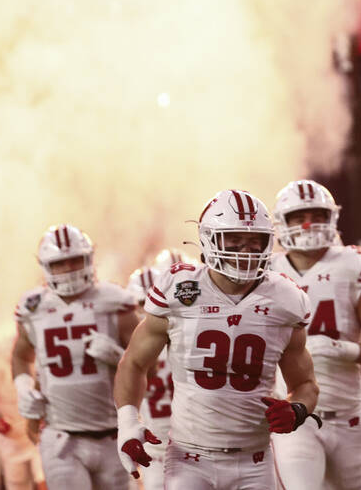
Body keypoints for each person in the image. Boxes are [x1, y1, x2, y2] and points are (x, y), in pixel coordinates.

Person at [113, 190, 318, 490]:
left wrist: (297, 409)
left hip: (254, 460)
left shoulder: (286, 299)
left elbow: (306, 385)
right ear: (209, 238)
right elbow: (133, 362)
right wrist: (128, 423)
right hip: (189, 459)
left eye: (254, 241)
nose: (244, 251)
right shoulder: (180, 288)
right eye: (234, 240)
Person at [265, 180, 361, 490]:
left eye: (317, 214)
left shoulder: (353, 262)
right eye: (299, 216)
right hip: (295, 413)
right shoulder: (265, 271)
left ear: (332, 218)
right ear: (282, 223)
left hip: (348, 414)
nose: (308, 224)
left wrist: (341, 349)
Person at [11, 224, 137, 490]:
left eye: (74, 260)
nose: (68, 269)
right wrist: (23, 389)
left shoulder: (114, 300)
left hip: (112, 435)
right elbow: (21, 355)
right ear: (46, 266)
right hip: (61, 436)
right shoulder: (33, 307)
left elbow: (149, 360)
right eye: (60, 263)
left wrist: (119, 357)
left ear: (89, 260)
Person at [123, 249, 185, 490]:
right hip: (155, 451)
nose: (149, 309)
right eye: (142, 303)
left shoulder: (188, 333)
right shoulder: (128, 343)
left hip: (198, 443)